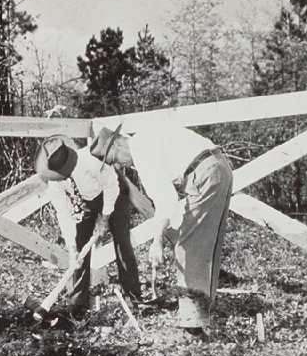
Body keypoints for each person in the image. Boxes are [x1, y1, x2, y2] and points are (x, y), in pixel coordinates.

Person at [89, 123, 233, 335]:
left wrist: (157, 241)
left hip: (205, 174)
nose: (120, 166)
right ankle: (203, 311)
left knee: (187, 246)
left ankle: (193, 324)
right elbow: (171, 204)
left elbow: (166, 200)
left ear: (117, 145)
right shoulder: (147, 136)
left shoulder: (142, 153)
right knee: (208, 243)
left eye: (113, 160)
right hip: (219, 167)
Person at [33, 134, 142, 317]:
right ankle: (78, 303)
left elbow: (111, 186)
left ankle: (133, 297)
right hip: (85, 202)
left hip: (113, 193)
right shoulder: (54, 184)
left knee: (122, 240)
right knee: (81, 242)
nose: (63, 177)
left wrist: (105, 218)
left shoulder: (90, 161)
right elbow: (64, 214)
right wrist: (72, 247)